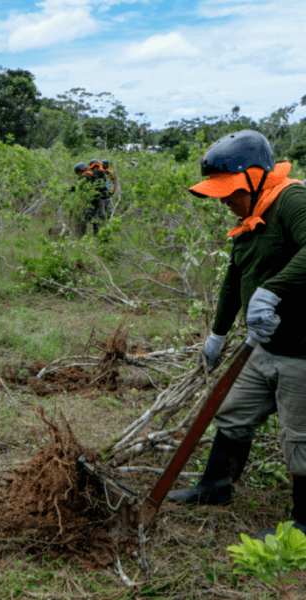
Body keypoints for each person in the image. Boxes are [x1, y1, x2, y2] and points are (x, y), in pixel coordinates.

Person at [167, 130, 306, 540]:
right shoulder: (252, 216)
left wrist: (273, 290)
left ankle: (303, 527)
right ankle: (216, 487)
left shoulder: (292, 200)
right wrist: (217, 334)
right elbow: (234, 279)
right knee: (232, 412)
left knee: (300, 438)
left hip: (301, 352)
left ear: (257, 176)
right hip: (262, 347)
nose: (224, 200)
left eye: (229, 191)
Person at [71, 162, 101, 235]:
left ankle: (82, 235)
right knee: (94, 218)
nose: (78, 174)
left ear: (81, 170)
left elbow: (76, 187)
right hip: (96, 200)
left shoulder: (84, 177)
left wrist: (67, 192)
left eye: (78, 172)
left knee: (83, 218)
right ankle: (97, 235)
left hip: (89, 201)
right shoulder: (92, 175)